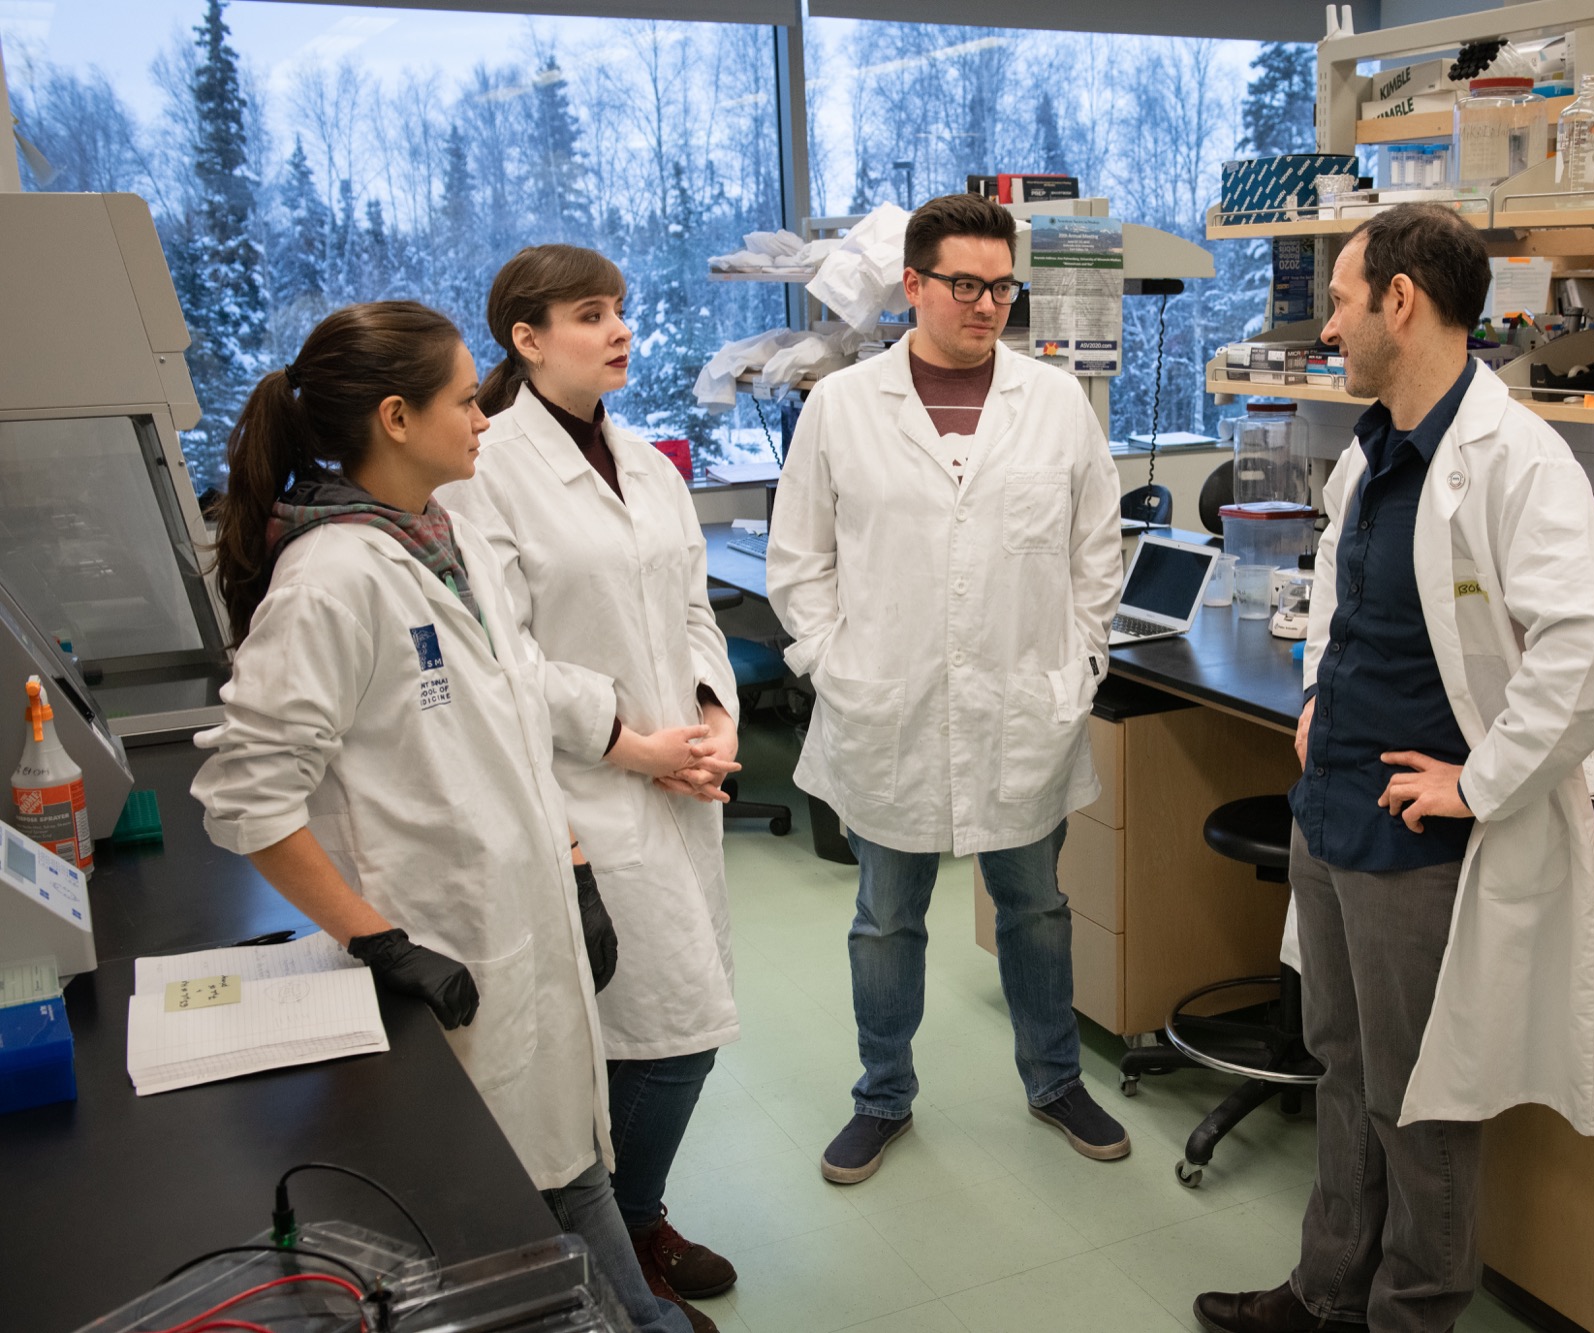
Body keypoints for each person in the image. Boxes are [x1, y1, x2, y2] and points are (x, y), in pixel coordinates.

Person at [191, 301, 692, 1333]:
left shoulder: (443, 537)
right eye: (468, 400)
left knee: (568, 1166)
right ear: (395, 418)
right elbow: (246, 796)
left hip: (523, 923)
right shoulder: (330, 580)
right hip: (449, 945)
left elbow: (504, 720)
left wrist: (573, 861)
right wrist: (376, 938)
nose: (486, 421)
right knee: (520, 1205)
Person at [1193, 205, 1594, 1333]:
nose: (1330, 328)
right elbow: (1341, 602)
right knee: (1342, 1061)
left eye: (1342, 303)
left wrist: (1476, 781)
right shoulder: (1376, 446)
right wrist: (1311, 698)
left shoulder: (1513, 458)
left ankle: (1411, 1312)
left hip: (1420, 834)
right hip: (1333, 803)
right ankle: (1323, 1287)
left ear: (1402, 301)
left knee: (1422, 1094)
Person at [766, 192, 1128, 1184]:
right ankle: (881, 1096)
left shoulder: (1052, 403)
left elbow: (1097, 546)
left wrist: (1080, 660)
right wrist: (834, 664)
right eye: (965, 285)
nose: (987, 305)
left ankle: (1054, 1079)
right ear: (912, 286)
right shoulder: (842, 407)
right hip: (889, 707)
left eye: (1002, 286)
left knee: (1035, 906)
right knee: (886, 916)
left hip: (1024, 706)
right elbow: (797, 563)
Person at [438, 244, 741, 1333]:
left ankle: (634, 1220)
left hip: (678, 780)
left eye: (620, 309)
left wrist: (709, 718)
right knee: (658, 1035)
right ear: (525, 338)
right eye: (587, 314)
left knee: (672, 1020)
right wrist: (630, 741)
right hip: (581, 791)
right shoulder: (483, 469)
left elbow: (694, 608)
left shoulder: (646, 459)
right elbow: (497, 650)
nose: (618, 330)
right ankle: (609, 1236)